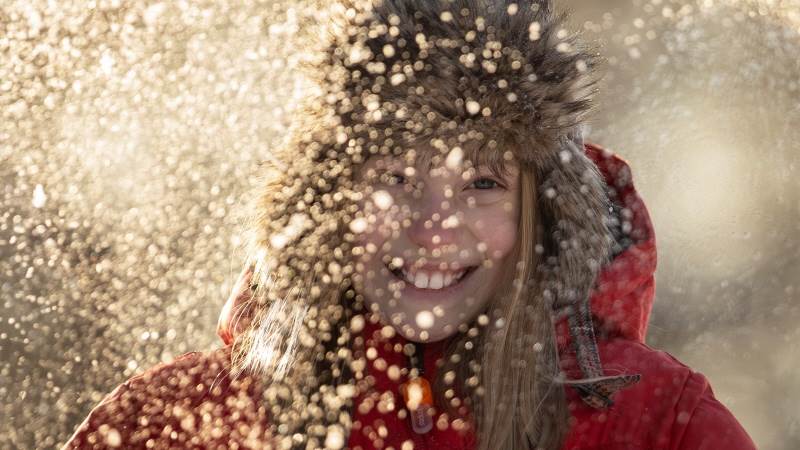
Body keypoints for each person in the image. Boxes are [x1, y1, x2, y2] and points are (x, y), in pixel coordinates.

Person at [64, 0, 757, 449]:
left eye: (482, 183)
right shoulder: (185, 424)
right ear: (330, 201)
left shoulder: (659, 424)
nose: (433, 226)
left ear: (540, 216)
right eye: (396, 179)